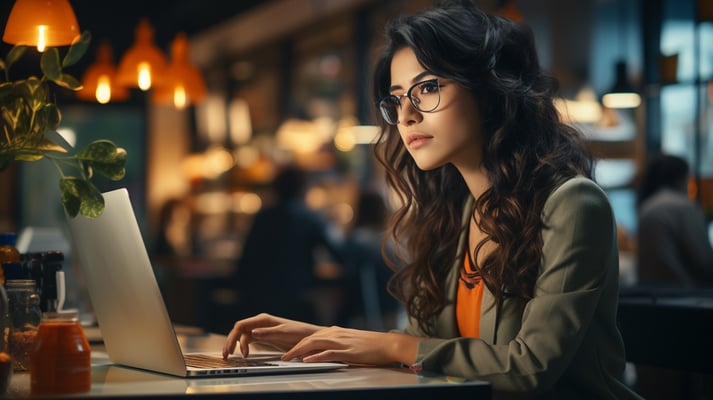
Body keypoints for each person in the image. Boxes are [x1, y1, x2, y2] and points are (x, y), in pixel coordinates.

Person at [223, 1, 643, 398]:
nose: (406, 115)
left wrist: (385, 345)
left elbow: (531, 367)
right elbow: (430, 345)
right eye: (397, 98)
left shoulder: (573, 204)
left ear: (489, 90)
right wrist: (320, 337)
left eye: (427, 88)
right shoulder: (461, 212)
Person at [232, 165, 344, 323]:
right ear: (303, 189)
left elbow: (246, 258)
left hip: (259, 300)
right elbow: (339, 255)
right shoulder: (310, 218)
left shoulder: (263, 218)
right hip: (296, 298)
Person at [636, 153, 713, 287]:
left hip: (650, 297)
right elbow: (704, 261)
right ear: (679, 179)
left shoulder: (647, 205)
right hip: (683, 297)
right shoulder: (682, 206)